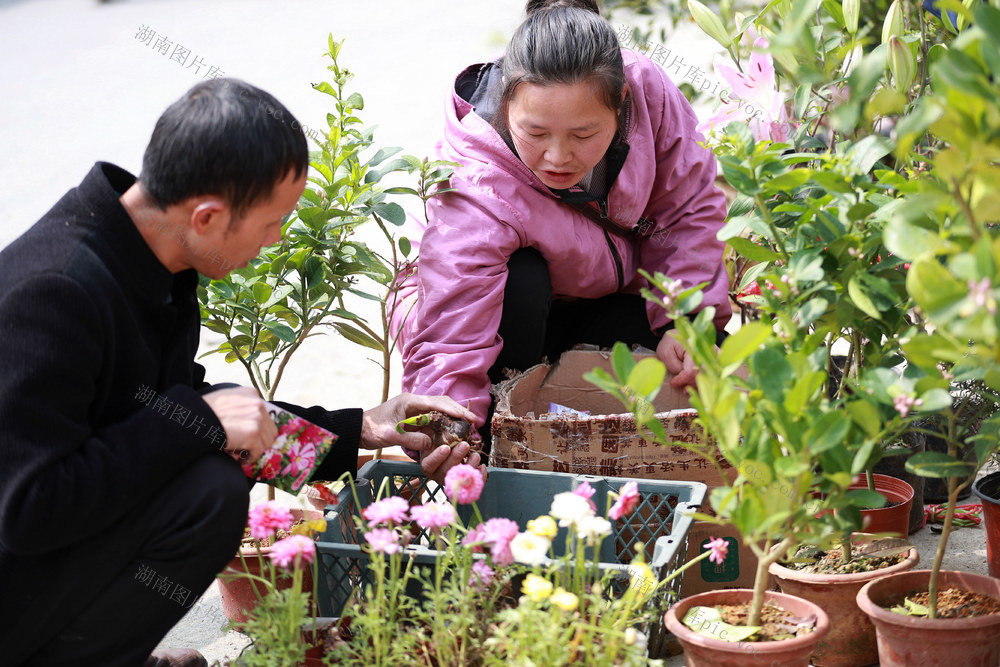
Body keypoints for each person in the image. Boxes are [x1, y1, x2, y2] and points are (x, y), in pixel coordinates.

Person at [0, 78, 482, 667]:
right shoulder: (54, 293)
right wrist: (200, 420)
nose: (275, 240)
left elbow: (177, 408)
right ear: (207, 217)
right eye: (272, 222)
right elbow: (27, 510)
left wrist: (360, 430)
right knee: (210, 494)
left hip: (40, 556)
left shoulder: (149, 255)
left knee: (210, 440)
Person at [393, 0, 732, 446]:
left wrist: (683, 323)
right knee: (524, 278)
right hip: (500, 316)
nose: (557, 157)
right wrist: (448, 432)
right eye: (535, 133)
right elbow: (452, 336)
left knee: (709, 361)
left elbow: (686, 209)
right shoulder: (475, 180)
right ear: (507, 101)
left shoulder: (647, 92)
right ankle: (500, 437)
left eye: (583, 135)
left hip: (597, 297)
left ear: (621, 103)